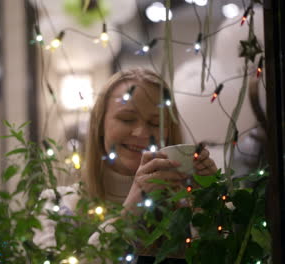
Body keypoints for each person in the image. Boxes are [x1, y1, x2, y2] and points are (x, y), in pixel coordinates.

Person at [33, 68, 218, 263]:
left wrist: (208, 206)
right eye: (127, 119)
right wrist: (128, 214)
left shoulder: (182, 210)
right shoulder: (58, 205)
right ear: (99, 125)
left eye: (155, 123)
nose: (141, 133)